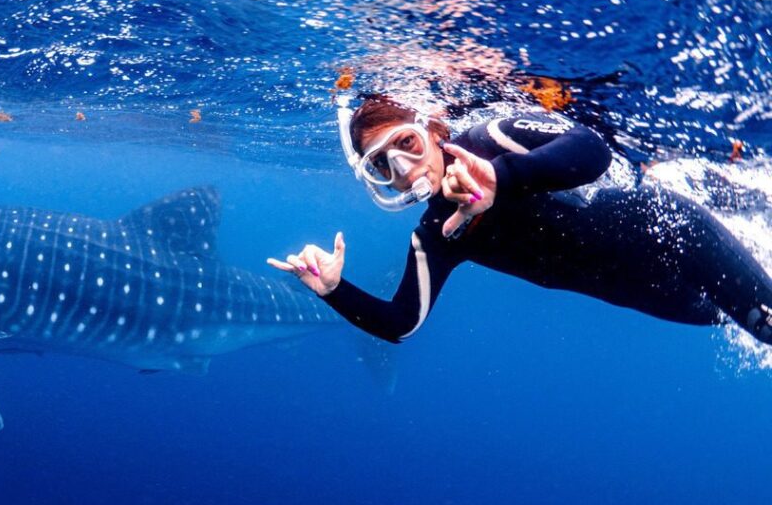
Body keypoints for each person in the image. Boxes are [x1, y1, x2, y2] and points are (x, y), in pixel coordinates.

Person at [267, 94, 772, 346]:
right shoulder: (439, 235)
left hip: (674, 231)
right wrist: (333, 289)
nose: (404, 166)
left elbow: (592, 150)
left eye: (406, 144)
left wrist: (503, 178)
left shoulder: (495, 138)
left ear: (428, 129)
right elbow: (401, 323)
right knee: (731, 314)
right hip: (650, 292)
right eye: (383, 164)